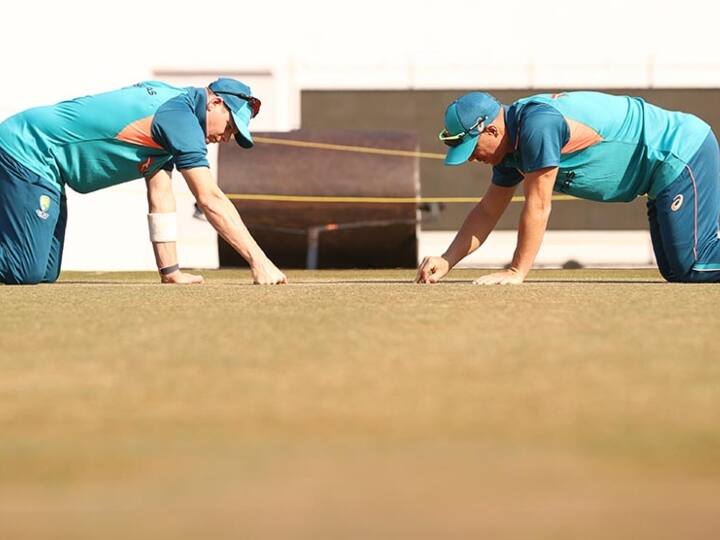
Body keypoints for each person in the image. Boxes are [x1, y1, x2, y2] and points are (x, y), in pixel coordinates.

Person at [0, 78, 288, 285]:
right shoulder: (180, 119)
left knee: (45, 271)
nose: (225, 138)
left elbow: (160, 195)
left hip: (48, 166)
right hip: (27, 148)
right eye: (229, 126)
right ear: (214, 102)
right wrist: (259, 261)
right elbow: (210, 198)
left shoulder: (174, 110)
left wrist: (170, 271)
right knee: (24, 271)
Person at [416, 91, 720, 284]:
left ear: (493, 130)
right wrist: (447, 259)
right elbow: (487, 210)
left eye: (472, 149)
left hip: (680, 151)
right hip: (658, 175)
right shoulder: (509, 152)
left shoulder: (537, 125)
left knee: (690, 265)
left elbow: (538, 205)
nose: (471, 159)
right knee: (676, 272)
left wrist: (516, 270)